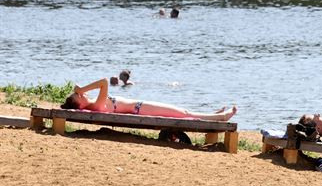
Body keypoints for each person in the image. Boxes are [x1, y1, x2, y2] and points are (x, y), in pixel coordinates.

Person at [61, 78, 237, 121]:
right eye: (80, 96)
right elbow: (104, 82)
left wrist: (79, 90)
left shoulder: (94, 103)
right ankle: (220, 117)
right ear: (80, 104)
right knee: (183, 113)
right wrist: (81, 89)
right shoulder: (97, 104)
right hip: (140, 108)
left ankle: (212, 115)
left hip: (140, 106)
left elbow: (99, 84)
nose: (82, 93)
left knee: (182, 111)